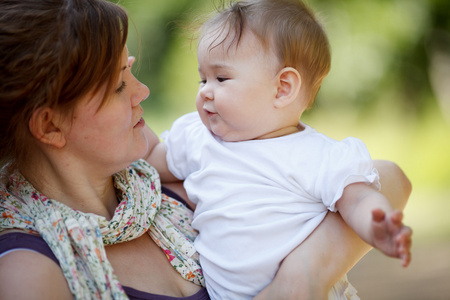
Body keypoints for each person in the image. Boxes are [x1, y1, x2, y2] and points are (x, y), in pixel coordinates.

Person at [0, 0, 411, 299]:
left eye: (132, 70)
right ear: (50, 125)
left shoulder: (167, 192)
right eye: (119, 85)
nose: (142, 91)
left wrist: (300, 281)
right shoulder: (31, 272)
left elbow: (389, 177)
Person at [146, 0, 413, 299]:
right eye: (202, 78)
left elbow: (359, 198)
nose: (205, 90)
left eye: (221, 78)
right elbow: (149, 159)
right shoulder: (198, 139)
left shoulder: (315, 155)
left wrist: (377, 226)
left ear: (283, 88)